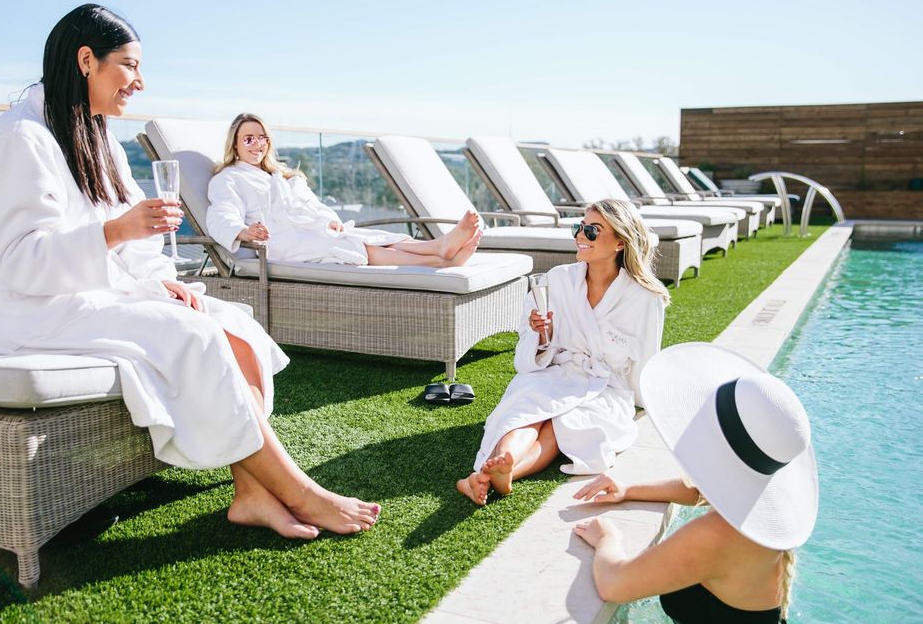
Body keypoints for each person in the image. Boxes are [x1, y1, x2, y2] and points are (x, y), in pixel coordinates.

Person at [0, 4, 379, 539]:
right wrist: (115, 232)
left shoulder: (95, 136)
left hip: (91, 292)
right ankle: (301, 492)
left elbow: (133, 242)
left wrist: (161, 280)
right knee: (195, 336)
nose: (139, 82)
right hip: (25, 311)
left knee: (233, 325)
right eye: (130, 66)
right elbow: (21, 260)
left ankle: (251, 493)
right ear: (86, 61)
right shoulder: (20, 139)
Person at [573, 342, 819, 623]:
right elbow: (699, 491)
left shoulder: (716, 535)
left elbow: (614, 584)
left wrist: (607, 538)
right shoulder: (753, 514)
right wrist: (629, 490)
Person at [457, 199, 668, 505]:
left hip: (605, 385)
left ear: (620, 242)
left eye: (593, 231)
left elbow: (646, 361)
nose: (581, 235)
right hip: (556, 371)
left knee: (565, 424)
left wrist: (638, 401)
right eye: (579, 228)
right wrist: (543, 332)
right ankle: (503, 462)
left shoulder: (644, 297)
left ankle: (494, 475)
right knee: (527, 407)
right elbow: (535, 346)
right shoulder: (558, 279)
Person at [206, 113, 482, 267]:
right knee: (350, 247)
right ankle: (440, 259)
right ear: (235, 144)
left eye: (262, 138)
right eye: (249, 139)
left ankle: (439, 248)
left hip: (308, 231)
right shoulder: (229, 179)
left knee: (366, 235)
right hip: (280, 242)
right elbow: (221, 214)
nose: (257, 144)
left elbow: (314, 206)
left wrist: (330, 220)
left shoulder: (281, 175)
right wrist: (243, 231)